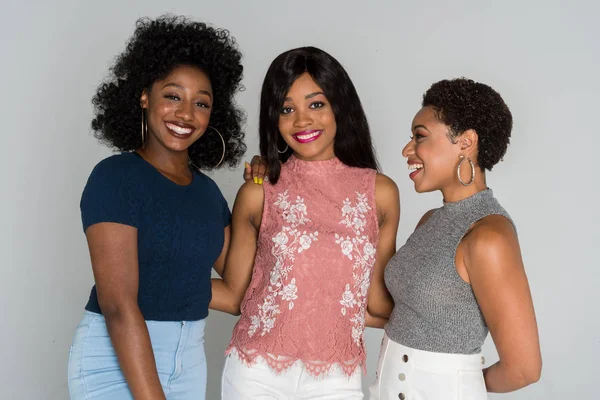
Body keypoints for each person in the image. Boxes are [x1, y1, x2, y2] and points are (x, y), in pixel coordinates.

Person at [67, 15, 264, 400]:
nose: (186, 114)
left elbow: (237, 294)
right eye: (173, 95)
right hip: (114, 360)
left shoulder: (208, 194)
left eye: (201, 103)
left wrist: (256, 193)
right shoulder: (116, 177)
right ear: (145, 96)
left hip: (188, 362)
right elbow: (120, 306)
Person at [210, 46, 400, 399]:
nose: (302, 121)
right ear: (274, 118)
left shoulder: (379, 193)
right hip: (255, 372)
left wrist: (443, 302)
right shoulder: (258, 191)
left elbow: (375, 303)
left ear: (339, 106)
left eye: (316, 104)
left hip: (336, 378)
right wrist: (156, 283)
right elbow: (237, 296)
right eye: (287, 109)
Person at [369, 78, 542, 399]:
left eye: (419, 137)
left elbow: (524, 369)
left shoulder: (489, 235)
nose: (408, 150)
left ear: (466, 143)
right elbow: (406, 314)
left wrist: (453, 383)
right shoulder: (430, 221)